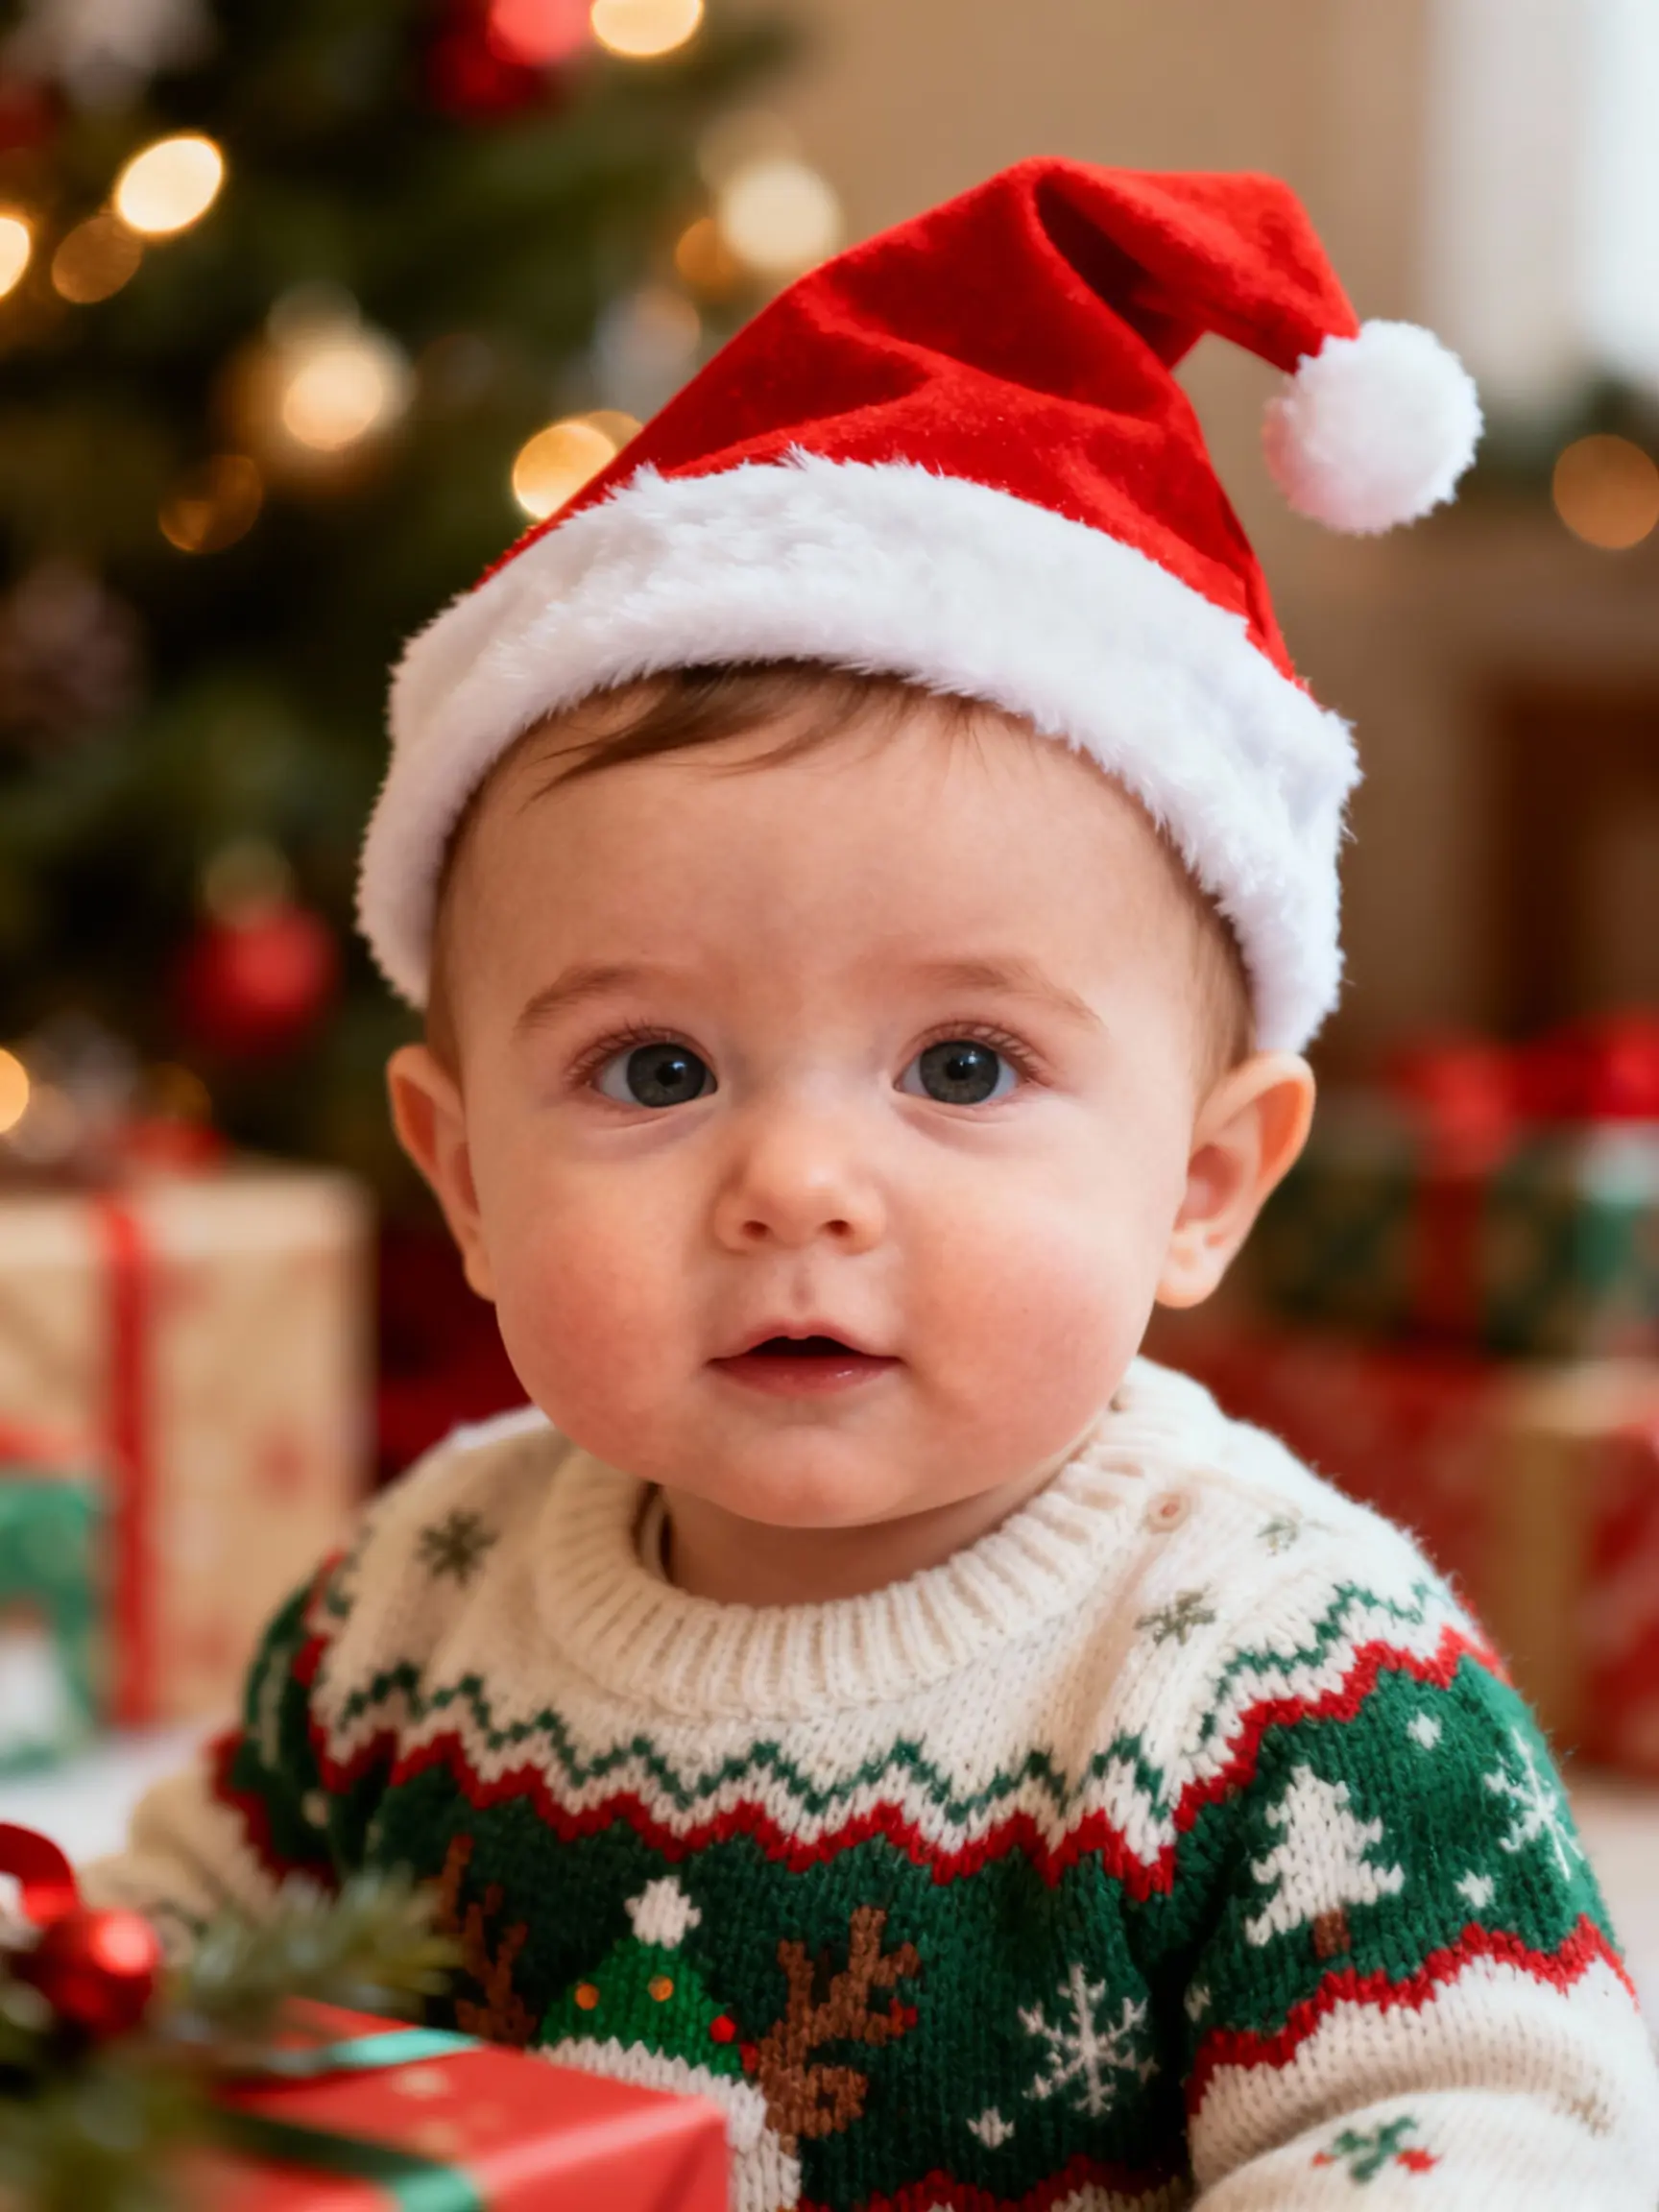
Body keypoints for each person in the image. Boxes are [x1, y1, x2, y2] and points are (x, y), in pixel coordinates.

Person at [89, 161, 1659, 2207]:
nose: (796, 1187)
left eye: (963, 1067)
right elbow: (167, 1989)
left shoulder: (1291, 1677)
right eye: (655, 1070)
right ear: (461, 1177)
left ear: (1203, 1183)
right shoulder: (419, 1602)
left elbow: (1496, 2134)